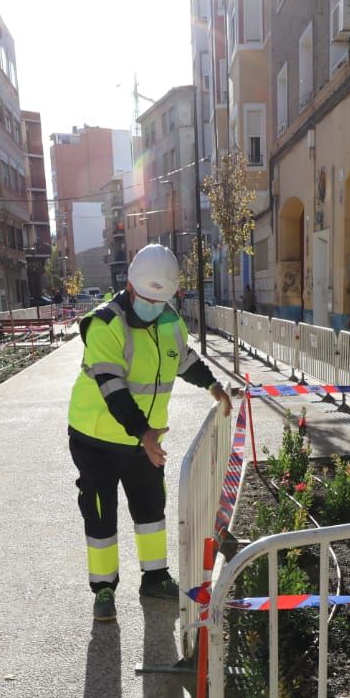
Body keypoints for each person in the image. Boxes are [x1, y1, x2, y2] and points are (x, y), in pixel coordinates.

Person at [69, 244, 236, 622]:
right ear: (129, 288)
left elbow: (184, 359)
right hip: (94, 436)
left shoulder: (169, 320)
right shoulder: (106, 324)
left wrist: (212, 386)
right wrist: (144, 433)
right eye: (146, 299)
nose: (152, 307)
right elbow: (112, 386)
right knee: (100, 513)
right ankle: (104, 588)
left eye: (159, 300)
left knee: (151, 509)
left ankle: (155, 577)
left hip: (143, 439)